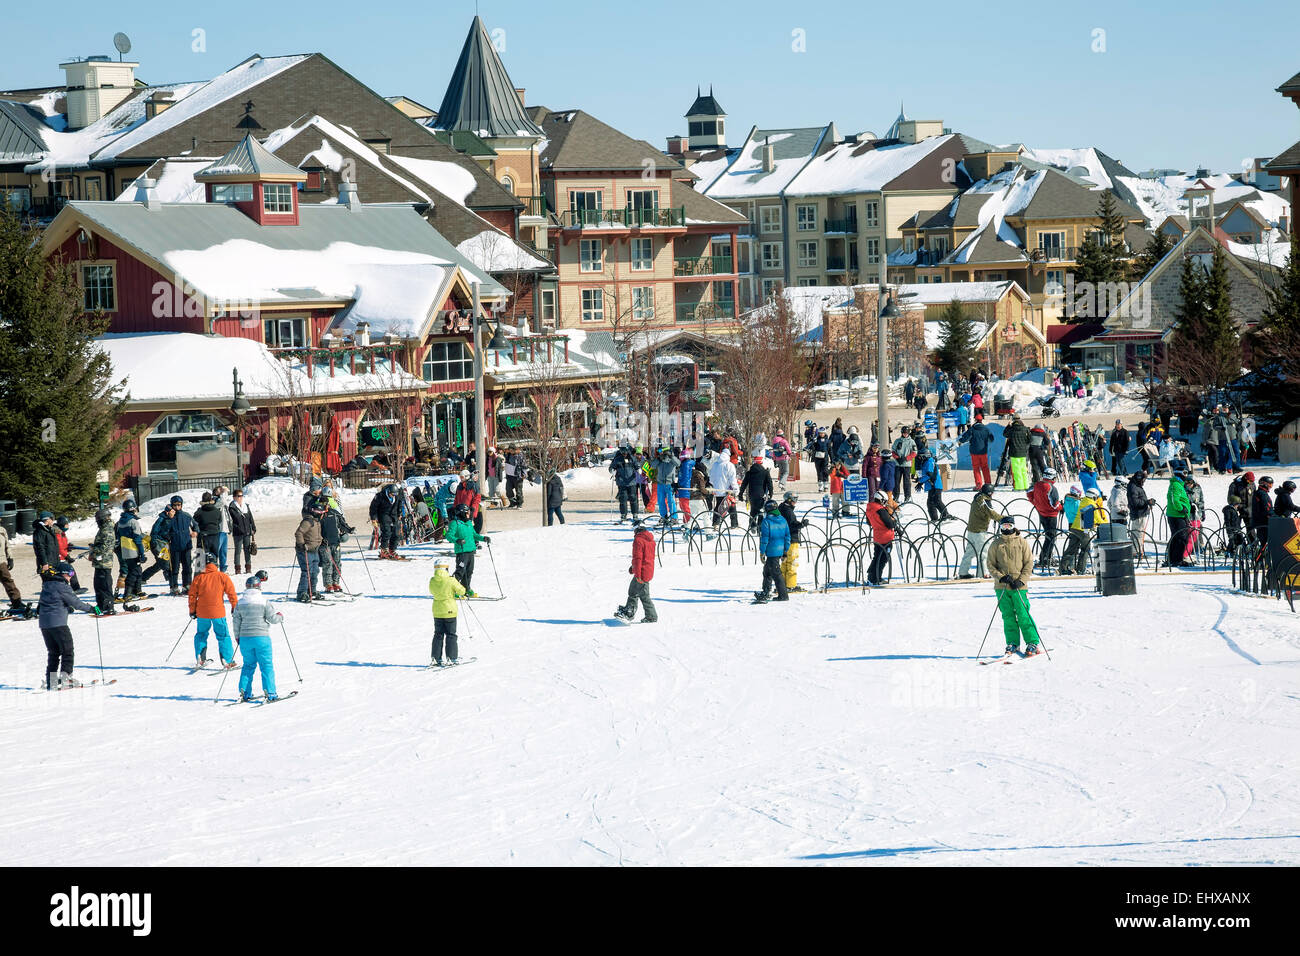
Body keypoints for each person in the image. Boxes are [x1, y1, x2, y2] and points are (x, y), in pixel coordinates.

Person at [986, 516, 1043, 657]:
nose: (1007, 528)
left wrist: (1022, 580)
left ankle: (1032, 642)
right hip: (1002, 587)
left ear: (1013, 526)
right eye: (1004, 526)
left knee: (1023, 614)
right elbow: (990, 565)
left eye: (1009, 526)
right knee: (1008, 616)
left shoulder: (1022, 542)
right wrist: (1001, 577)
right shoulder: (996, 544)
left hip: (1018, 586)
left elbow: (1029, 563)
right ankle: (1012, 643)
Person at [38, 563, 96, 689]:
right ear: (63, 574)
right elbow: (76, 603)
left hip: (44, 624)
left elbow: (46, 604)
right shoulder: (62, 586)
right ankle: (65, 679)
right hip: (58, 624)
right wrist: (91, 608)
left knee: (53, 652)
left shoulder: (47, 585)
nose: (71, 577)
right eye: (70, 574)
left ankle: (51, 682)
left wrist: (65, 608)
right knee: (67, 650)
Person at [232, 573, 285, 701]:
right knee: (266, 665)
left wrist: (238, 637)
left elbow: (236, 622)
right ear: (259, 587)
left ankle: (245, 693)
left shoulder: (240, 603)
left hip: (245, 639)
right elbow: (272, 619)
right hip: (262, 638)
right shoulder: (263, 602)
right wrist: (280, 616)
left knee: (248, 665)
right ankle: (270, 693)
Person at [190, 552, 239, 669]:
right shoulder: (222, 576)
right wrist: (234, 607)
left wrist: (192, 611)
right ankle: (227, 660)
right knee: (223, 636)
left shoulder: (198, 578)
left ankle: (200, 658)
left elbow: (192, 596)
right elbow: (231, 594)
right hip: (218, 612)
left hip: (202, 613)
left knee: (201, 634)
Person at [614, 518, 657, 623]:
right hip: (646, 570)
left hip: (642, 573)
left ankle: (649, 616)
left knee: (643, 595)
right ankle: (630, 609)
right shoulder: (650, 539)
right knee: (633, 590)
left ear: (637, 529)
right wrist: (633, 568)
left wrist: (637, 574)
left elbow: (638, 558)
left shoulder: (638, 540)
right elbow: (645, 557)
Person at [428, 557, 467, 665]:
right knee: (451, 634)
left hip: (437, 611)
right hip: (450, 611)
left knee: (438, 634)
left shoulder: (432, 580)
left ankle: (436, 658)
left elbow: (432, 591)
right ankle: (452, 657)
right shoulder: (450, 580)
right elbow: (462, 590)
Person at [445, 503, 489, 597]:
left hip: (471, 551)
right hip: (462, 552)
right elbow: (448, 535)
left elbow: (474, 535)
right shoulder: (455, 523)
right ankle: (452, 590)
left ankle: (466, 589)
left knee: (469, 571)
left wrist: (483, 538)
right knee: (460, 571)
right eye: (467, 512)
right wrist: (457, 540)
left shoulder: (469, 523)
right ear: (462, 513)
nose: (469, 514)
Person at [753, 499, 791, 602]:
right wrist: (785, 551)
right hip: (779, 551)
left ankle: (783, 595)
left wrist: (762, 552)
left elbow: (765, 538)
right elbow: (787, 537)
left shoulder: (767, 521)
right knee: (767, 572)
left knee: (776, 573)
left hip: (771, 551)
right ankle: (766, 591)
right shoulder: (783, 520)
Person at [958, 484, 999, 579]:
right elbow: (992, 513)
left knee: (969, 552)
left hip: (971, 530)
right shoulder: (984, 501)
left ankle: (963, 572)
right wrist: (1004, 519)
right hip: (980, 531)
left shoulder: (977, 498)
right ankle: (984, 573)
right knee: (984, 553)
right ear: (990, 493)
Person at [1028, 468, 1063, 569]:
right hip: (1051, 515)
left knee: (1048, 536)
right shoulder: (1051, 488)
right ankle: (1044, 559)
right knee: (1051, 537)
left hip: (1041, 513)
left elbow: (1028, 492)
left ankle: (1046, 558)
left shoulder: (1037, 484)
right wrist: (1061, 507)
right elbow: (1055, 504)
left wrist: (1035, 502)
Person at [0, 520, 32, 619]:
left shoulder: (2, 530)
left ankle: (16, 602)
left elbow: (7, 546)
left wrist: (10, 558)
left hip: (1, 561)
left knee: (8, 582)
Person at [88, 508, 118, 615]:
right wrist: (94, 546)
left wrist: (93, 553)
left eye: (98, 519)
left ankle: (109, 606)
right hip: (99, 562)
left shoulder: (108, 529)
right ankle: (100, 605)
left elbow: (105, 547)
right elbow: (101, 544)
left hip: (104, 562)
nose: (97, 522)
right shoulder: (103, 528)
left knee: (105, 584)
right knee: (98, 585)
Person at [115, 500, 146, 602]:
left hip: (125, 550)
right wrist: (142, 553)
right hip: (133, 550)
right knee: (134, 572)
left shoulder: (120, 522)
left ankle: (137, 590)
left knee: (137, 570)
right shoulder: (133, 522)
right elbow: (137, 539)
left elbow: (118, 537)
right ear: (133, 509)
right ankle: (127, 594)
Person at [318, 500, 352, 594]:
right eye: (322, 504)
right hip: (324, 544)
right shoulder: (318, 514)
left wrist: (349, 529)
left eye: (325, 504)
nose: (324, 506)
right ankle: (328, 584)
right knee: (327, 563)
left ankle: (336, 582)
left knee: (337, 563)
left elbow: (342, 524)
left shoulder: (334, 513)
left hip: (335, 542)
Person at [293, 503, 325, 603]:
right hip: (305, 551)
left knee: (315, 571)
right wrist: (301, 544)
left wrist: (322, 540)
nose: (322, 515)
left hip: (314, 550)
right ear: (316, 512)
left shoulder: (317, 522)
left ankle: (312, 591)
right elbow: (298, 533)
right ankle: (302, 593)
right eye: (321, 513)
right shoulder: (308, 521)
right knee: (306, 572)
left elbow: (316, 535)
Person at [778, 491, 809, 592]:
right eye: (794, 499)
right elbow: (792, 524)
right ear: (789, 500)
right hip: (791, 540)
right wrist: (802, 524)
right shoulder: (787, 510)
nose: (795, 502)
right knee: (792, 562)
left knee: (785, 562)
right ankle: (790, 585)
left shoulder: (782, 508)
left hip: (784, 540)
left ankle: (782, 585)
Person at [865, 490, 897, 586]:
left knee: (877, 557)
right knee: (883, 558)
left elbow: (869, 522)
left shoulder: (870, 508)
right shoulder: (881, 510)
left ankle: (872, 576)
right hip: (886, 537)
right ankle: (876, 578)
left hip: (877, 536)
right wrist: (894, 521)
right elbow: (889, 524)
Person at [166, 495, 196, 595]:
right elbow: (164, 531)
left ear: (182, 505)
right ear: (171, 506)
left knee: (187, 567)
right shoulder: (169, 517)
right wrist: (169, 519)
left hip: (186, 546)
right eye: (175, 505)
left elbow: (195, 526)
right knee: (174, 568)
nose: (177, 507)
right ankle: (174, 587)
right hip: (174, 547)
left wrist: (195, 532)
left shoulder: (187, 516)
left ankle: (187, 585)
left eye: (179, 505)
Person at [142, 500, 174, 588]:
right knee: (165, 563)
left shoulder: (165, 519)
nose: (174, 513)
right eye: (172, 511)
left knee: (160, 564)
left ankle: (143, 577)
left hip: (159, 544)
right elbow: (159, 533)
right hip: (158, 545)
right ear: (167, 512)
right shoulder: (164, 520)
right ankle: (171, 582)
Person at [369, 483, 403, 559]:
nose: (393, 496)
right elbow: (373, 507)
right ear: (388, 492)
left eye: (395, 495)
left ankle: (392, 550)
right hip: (383, 514)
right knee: (387, 532)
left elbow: (400, 503)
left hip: (394, 515)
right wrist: (373, 518)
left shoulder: (397, 495)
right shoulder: (380, 496)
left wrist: (399, 513)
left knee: (396, 533)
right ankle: (383, 550)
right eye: (392, 495)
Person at [916, 450, 952, 523]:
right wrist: (920, 482)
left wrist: (920, 481)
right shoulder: (925, 462)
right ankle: (934, 518)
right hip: (931, 486)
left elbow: (930, 474)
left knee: (937, 501)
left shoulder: (929, 461)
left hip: (935, 485)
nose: (919, 458)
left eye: (921, 456)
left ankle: (946, 515)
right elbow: (924, 474)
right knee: (931, 503)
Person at [708, 448, 739, 530]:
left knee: (718, 506)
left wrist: (715, 486)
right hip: (727, 491)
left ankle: (716, 523)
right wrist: (735, 489)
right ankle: (734, 524)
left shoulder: (715, 465)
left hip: (718, 490)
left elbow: (711, 478)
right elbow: (732, 479)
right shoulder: (729, 465)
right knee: (732, 507)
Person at [960, 415, 994, 490]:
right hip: (983, 451)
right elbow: (991, 439)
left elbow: (964, 438)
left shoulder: (972, 429)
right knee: (985, 467)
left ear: (975, 420)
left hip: (974, 452)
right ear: (981, 420)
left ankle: (979, 485)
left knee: (976, 468)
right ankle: (988, 483)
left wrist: (960, 440)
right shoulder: (986, 429)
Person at [740, 455, 773, 529]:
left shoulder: (749, 472)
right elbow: (769, 483)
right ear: (761, 463)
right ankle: (760, 527)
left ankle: (752, 526)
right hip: (761, 495)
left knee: (753, 510)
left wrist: (740, 494)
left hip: (751, 495)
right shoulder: (765, 472)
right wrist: (771, 493)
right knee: (760, 511)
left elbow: (744, 484)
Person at [228, 489, 257, 575]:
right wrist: (239, 528)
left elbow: (250, 517)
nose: (241, 498)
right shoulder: (232, 507)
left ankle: (248, 568)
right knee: (238, 551)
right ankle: (237, 569)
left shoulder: (246, 506)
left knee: (247, 550)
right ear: (234, 497)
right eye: (239, 496)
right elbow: (235, 519)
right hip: (238, 532)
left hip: (247, 531)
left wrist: (253, 527)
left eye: (241, 496)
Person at [610, 445, 641, 522]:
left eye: (625, 451)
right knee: (623, 499)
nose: (624, 453)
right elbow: (611, 467)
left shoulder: (631, 458)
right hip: (621, 482)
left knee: (633, 498)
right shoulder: (617, 459)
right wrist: (612, 471)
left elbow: (636, 465)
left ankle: (635, 514)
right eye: (622, 451)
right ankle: (623, 514)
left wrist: (638, 469)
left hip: (631, 482)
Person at [193, 491, 224, 564]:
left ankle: (201, 574)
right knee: (214, 557)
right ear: (211, 500)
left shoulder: (199, 512)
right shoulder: (217, 511)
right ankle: (214, 571)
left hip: (203, 537)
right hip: (215, 536)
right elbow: (219, 521)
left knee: (201, 558)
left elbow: (194, 522)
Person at [1127, 472, 1154, 556]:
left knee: (1139, 533)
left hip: (1140, 513)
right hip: (1138, 514)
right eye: (1143, 480)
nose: (1144, 481)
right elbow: (1135, 502)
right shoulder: (1133, 487)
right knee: (1137, 534)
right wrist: (1147, 502)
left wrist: (1148, 502)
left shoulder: (1136, 486)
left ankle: (1137, 551)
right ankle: (1136, 552)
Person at [1003, 415, 1031, 491]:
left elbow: (1005, 434)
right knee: (1023, 470)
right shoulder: (1025, 429)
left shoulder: (1011, 429)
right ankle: (1025, 485)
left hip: (1014, 453)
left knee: (1016, 471)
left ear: (1013, 420)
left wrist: (1008, 426)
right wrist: (1024, 444)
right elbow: (1030, 440)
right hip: (1023, 453)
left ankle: (1019, 487)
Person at [1182, 474, 1205, 564]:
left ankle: (1198, 547)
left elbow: (1201, 500)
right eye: (1187, 483)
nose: (1188, 485)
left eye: (1190, 483)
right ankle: (1187, 552)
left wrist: (1202, 511)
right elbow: (1183, 501)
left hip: (1197, 513)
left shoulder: (1198, 488)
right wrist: (1189, 506)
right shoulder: (1184, 490)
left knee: (1198, 531)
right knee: (1191, 533)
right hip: (1189, 515)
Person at [890, 428, 916, 502]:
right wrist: (897, 458)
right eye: (904, 433)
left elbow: (914, 452)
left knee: (906, 481)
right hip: (898, 464)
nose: (905, 434)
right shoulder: (897, 441)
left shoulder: (911, 442)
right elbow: (893, 451)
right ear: (902, 433)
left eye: (906, 433)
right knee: (896, 481)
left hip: (907, 465)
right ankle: (896, 496)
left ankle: (907, 496)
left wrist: (906, 458)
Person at [32, 511, 61, 577]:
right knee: (49, 584)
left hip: (54, 561)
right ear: (47, 519)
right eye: (52, 519)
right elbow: (40, 548)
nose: (53, 521)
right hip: (46, 564)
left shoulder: (49, 530)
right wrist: (44, 563)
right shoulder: (39, 531)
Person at [654, 447, 679, 521]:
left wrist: (671, 456)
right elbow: (652, 465)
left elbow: (678, 463)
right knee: (661, 501)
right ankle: (664, 516)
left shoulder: (672, 459)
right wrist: (658, 458)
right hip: (660, 483)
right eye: (660, 452)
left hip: (669, 483)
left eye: (662, 451)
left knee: (670, 501)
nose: (661, 453)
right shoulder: (659, 459)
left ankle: (674, 517)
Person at [1251, 476, 1275, 547]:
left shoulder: (1259, 493)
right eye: (1270, 484)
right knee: (1265, 542)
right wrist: (1274, 516)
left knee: (1263, 542)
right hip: (1263, 522)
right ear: (1265, 484)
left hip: (1259, 521)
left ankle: (1261, 556)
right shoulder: (1262, 494)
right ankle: (1261, 557)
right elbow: (1266, 508)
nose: (1271, 487)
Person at [808, 428, 831, 493]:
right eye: (820, 433)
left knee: (825, 471)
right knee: (819, 472)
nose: (821, 434)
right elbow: (812, 448)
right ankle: (820, 486)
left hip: (825, 458)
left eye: (823, 433)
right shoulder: (816, 440)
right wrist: (812, 443)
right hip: (817, 458)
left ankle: (826, 485)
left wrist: (832, 459)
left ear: (825, 433)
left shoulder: (828, 441)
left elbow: (830, 450)